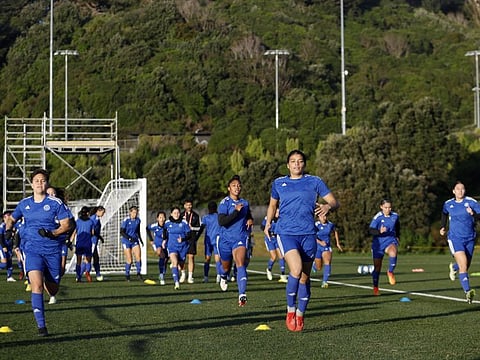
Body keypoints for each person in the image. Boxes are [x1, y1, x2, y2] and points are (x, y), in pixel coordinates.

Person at [264, 150, 339, 332]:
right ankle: (290, 310)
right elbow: (273, 205)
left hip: (308, 235)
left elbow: (334, 202)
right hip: (285, 233)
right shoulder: (279, 183)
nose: (296, 164)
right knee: (296, 270)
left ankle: (300, 313)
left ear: (304, 164)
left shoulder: (314, 181)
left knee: (305, 278)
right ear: (288, 165)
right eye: (293, 161)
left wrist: (327, 206)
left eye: (300, 161)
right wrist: (268, 224)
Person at [5, 169, 75, 336]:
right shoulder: (24, 204)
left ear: (47, 183)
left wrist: (53, 234)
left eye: (42, 181)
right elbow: (12, 218)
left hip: (52, 251)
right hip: (32, 250)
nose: (39, 183)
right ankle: (41, 327)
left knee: (53, 289)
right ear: (31, 184)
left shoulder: (55, 203)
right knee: (36, 286)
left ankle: (49, 280)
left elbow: (67, 225)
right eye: (36, 180)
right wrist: (8, 229)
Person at [440, 181, 480, 304]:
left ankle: (454, 267)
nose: (460, 191)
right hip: (455, 238)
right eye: (458, 189)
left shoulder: (472, 202)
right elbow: (444, 213)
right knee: (464, 266)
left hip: (470, 238)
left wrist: (473, 214)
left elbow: (479, 216)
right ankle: (468, 292)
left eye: (462, 189)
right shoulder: (448, 204)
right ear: (453, 191)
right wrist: (443, 226)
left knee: (465, 265)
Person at [217, 175, 254, 307]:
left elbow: (248, 214)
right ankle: (223, 276)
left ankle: (242, 294)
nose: (237, 187)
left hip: (240, 237)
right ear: (229, 188)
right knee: (225, 267)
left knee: (240, 263)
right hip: (225, 240)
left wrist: (250, 219)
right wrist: (236, 212)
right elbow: (222, 222)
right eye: (234, 185)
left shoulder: (244, 203)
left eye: (238, 185)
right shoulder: (224, 203)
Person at [368, 199, 400, 296]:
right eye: (386, 207)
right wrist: (379, 232)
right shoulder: (378, 217)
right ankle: (376, 287)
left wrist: (398, 236)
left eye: (389, 207)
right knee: (377, 268)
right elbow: (370, 230)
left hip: (390, 240)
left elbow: (397, 226)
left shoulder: (395, 216)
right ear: (381, 207)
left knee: (393, 252)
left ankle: (390, 271)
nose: (388, 209)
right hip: (378, 244)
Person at [314, 213, 343, 288]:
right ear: (318, 217)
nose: (324, 217)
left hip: (326, 246)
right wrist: (320, 242)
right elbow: (311, 235)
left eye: (325, 216)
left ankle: (325, 282)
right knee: (318, 267)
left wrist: (337, 243)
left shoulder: (330, 224)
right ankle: (314, 265)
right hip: (317, 246)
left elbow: (335, 231)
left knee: (327, 262)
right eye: (322, 216)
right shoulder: (316, 225)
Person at [165, 207, 191, 289]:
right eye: (175, 213)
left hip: (183, 247)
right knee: (175, 262)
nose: (176, 214)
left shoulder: (184, 222)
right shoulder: (167, 223)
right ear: (171, 214)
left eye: (178, 213)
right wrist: (164, 240)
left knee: (181, 264)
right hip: (172, 246)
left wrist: (183, 239)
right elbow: (164, 232)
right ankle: (176, 283)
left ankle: (183, 272)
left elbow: (189, 235)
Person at [196, 201, 221, 283]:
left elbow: (201, 228)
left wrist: (196, 238)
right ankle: (218, 276)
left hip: (208, 240)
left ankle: (206, 277)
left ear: (209, 209)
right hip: (217, 239)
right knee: (217, 258)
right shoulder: (219, 217)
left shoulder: (205, 218)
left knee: (207, 258)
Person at [261, 208, 288, 283]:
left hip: (277, 238)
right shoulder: (268, 218)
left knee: (282, 256)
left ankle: (282, 275)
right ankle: (269, 269)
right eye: (277, 212)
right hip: (269, 239)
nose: (278, 213)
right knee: (273, 256)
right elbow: (262, 227)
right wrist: (267, 229)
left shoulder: (281, 219)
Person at [120, 205, 144, 281]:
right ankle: (127, 274)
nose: (135, 214)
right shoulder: (126, 220)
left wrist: (141, 240)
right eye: (133, 212)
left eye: (136, 213)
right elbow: (122, 232)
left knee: (138, 257)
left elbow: (137, 231)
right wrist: (129, 238)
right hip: (126, 241)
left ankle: (138, 273)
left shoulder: (138, 220)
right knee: (129, 260)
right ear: (130, 212)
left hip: (135, 240)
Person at [72, 206, 95, 283]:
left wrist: (70, 241)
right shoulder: (91, 222)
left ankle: (78, 277)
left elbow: (74, 232)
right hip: (87, 243)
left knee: (78, 261)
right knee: (88, 260)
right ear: (88, 213)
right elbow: (92, 233)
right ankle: (87, 272)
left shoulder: (77, 221)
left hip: (79, 243)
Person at [181, 199, 201, 284]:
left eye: (190, 205)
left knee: (191, 256)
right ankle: (182, 274)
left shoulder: (196, 216)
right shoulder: (181, 215)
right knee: (182, 257)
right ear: (184, 206)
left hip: (192, 238)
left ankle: (190, 276)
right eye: (187, 205)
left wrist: (191, 227)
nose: (189, 206)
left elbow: (199, 228)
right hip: (183, 238)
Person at [146, 211, 168, 285]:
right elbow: (147, 228)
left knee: (165, 259)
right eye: (160, 217)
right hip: (158, 244)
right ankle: (161, 275)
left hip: (167, 245)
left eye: (163, 217)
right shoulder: (155, 226)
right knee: (161, 254)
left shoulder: (167, 225)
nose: (162, 219)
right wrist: (151, 239)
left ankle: (162, 273)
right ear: (157, 218)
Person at [90, 206, 106, 281]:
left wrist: (99, 237)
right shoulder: (94, 218)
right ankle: (79, 275)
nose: (103, 214)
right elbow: (91, 230)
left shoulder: (96, 218)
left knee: (96, 258)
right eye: (103, 212)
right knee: (88, 258)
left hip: (94, 241)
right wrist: (99, 236)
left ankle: (98, 274)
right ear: (98, 211)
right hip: (92, 241)